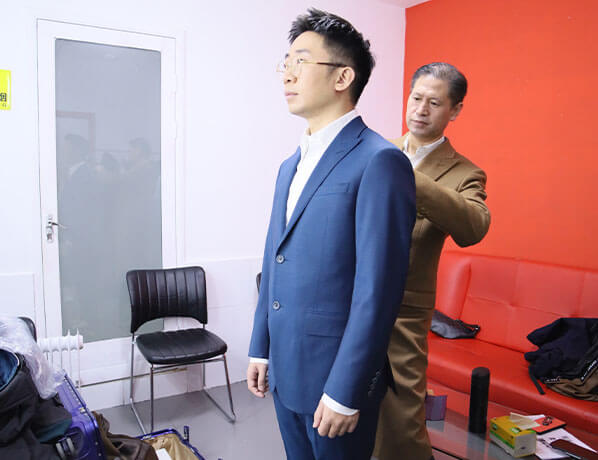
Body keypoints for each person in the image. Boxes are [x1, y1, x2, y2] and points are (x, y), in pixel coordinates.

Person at [247, 9, 416, 460]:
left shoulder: (379, 161)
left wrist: (346, 389)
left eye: (301, 61)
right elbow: (274, 260)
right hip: (285, 368)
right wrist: (260, 348)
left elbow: (378, 291)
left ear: (343, 77)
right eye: (286, 63)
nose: (288, 74)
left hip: (334, 380)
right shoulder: (289, 166)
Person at [374, 62, 491, 460]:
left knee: (401, 416)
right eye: (416, 98)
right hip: (349, 300)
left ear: (455, 110)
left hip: (404, 310)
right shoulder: (376, 150)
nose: (420, 109)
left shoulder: (465, 172)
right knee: (345, 407)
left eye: (435, 103)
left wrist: (408, 175)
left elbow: (474, 226)